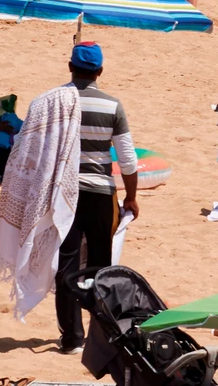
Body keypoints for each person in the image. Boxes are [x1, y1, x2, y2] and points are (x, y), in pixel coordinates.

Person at [56, 42, 140, 354]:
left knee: (66, 263)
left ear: (69, 66)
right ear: (100, 72)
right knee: (101, 266)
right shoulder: (112, 106)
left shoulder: (55, 102)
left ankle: (71, 338)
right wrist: (131, 197)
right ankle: (100, 336)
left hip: (64, 194)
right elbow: (128, 159)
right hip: (101, 194)